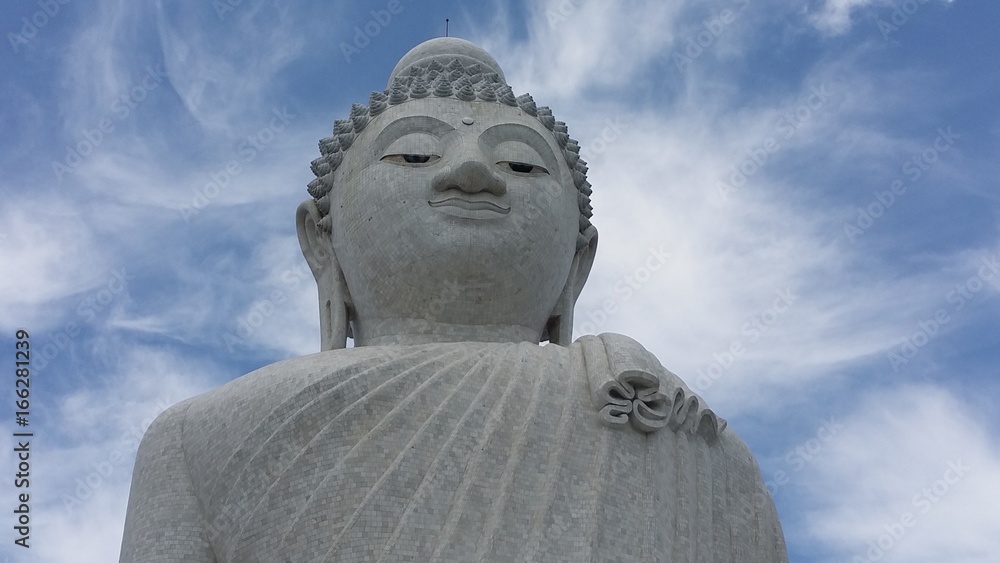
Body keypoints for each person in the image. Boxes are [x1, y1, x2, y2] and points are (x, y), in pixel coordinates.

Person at [120, 37, 787, 562]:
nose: (470, 171)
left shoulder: (682, 435)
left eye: (521, 164)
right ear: (321, 241)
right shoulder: (194, 439)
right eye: (414, 154)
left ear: (578, 261)